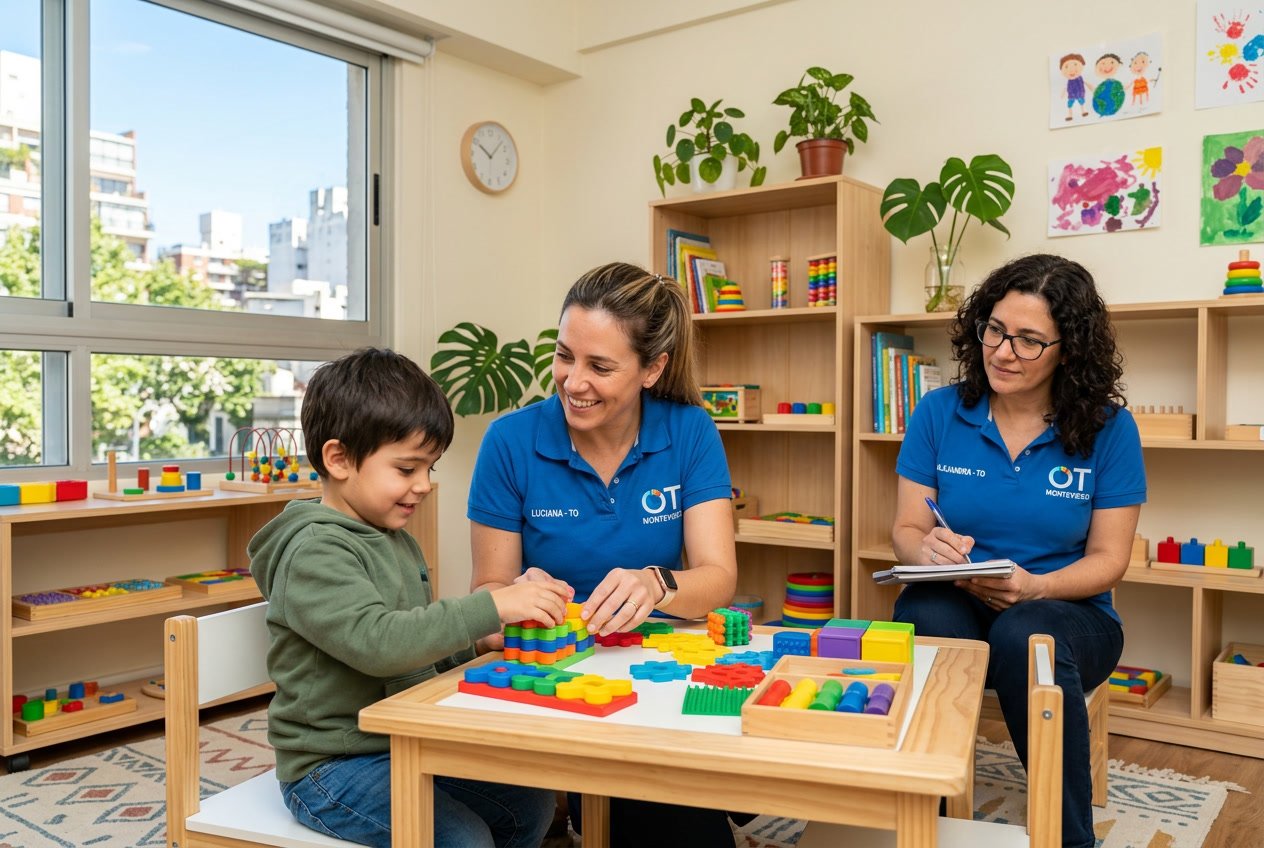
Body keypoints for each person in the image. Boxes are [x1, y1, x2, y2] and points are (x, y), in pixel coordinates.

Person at [249, 347, 569, 848]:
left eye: (430, 468)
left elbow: (417, 643)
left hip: (400, 740)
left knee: (529, 806)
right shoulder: (313, 550)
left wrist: (478, 642)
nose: (423, 485)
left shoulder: (392, 538)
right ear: (338, 459)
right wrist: (494, 605)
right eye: (406, 469)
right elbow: (380, 644)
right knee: (463, 839)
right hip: (332, 766)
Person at [467, 262, 740, 847]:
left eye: (600, 366)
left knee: (684, 825)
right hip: (557, 678)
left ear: (653, 369)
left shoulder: (690, 431)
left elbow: (718, 579)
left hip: (655, 676)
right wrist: (514, 603)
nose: (573, 381)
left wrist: (657, 583)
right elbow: (484, 601)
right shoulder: (509, 442)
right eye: (564, 356)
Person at [891, 254, 1145, 848]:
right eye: (995, 330)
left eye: (1029, 340)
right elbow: (905, 527)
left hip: (1070, 613)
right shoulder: (939, 412)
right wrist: (927, 549)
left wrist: (1036, 587)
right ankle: (923, 818)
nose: (1003, 352)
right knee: (925, 617)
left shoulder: (1110, 428)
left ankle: (1070, 838)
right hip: (958, 597)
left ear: (1068, 350)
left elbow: (1110, 560)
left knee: (1025, 635)